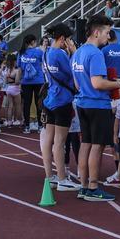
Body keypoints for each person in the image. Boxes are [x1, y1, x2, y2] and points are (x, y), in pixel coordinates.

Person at [72, 16, 120, 202]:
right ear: (96, 32)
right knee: (97, 146)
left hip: (82, 103)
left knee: (86, 143)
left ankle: (84, 185)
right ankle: (93, 186)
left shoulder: (77, 52)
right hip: (97, 104)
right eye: (107, 32)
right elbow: (98, 83)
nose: (108, 36)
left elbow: (78, 84)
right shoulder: (95, 53)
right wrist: (117, 83)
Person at [40, 24, 79, 192]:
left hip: (50, 100)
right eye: (68, 39)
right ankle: (62, 179)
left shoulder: (46, 53)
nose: (69, 42)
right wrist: (74, 52)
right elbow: (75, 71)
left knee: (49, 141)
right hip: (62, 100)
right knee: (60, 142)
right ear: (63, 38)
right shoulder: (61, 54)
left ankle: (50, 177)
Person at [18, 34, 45, 133]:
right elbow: (44, 65)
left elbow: (20, 69)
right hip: (38, 81)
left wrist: (18, 82)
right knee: (39, 103)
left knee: (27, 104)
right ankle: (40, 126)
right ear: (33, 42)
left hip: (26, 82)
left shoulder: (21, 53)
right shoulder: (39, 52)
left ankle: (27, 126)